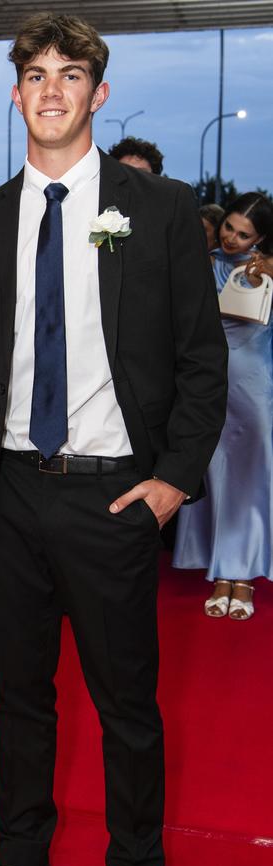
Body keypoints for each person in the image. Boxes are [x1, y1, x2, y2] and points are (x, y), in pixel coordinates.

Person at [0, 12, 227, 866]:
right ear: (14, 94)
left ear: (97, 95)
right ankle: (19, 859)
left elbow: (200, 364)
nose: (51, 88)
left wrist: (170, 481)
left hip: (113, 503)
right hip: (10, 496)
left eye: (70, 74)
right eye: (34, 73)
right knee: (17, 699)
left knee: (125, 709)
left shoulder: (159, 211)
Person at [173, 193, 273, 619]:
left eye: (244, 233)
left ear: (262, 237)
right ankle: (220, 571)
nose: (232, 238)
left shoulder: (268, 270)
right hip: (211, 383)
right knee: (215, 475)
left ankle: (243, 575)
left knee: (251, 477)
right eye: (229, 227)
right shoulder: (206, 262)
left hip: (256, 386)